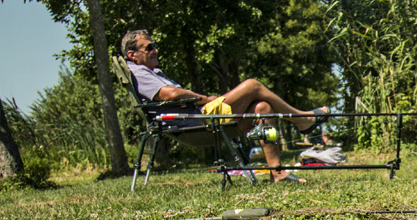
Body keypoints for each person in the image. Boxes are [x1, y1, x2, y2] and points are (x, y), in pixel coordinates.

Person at [121, 29, 329, 183]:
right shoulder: (138, 72)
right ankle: (301, 119)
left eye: (154, 45)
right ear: (132, 54)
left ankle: (278, 173)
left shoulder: (151, 72)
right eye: (149, 47)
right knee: (252, 85)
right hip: (196, 122)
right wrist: (205, 98)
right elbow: (171, 94)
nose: (155, 50)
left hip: (200, 118)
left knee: (263, 107)